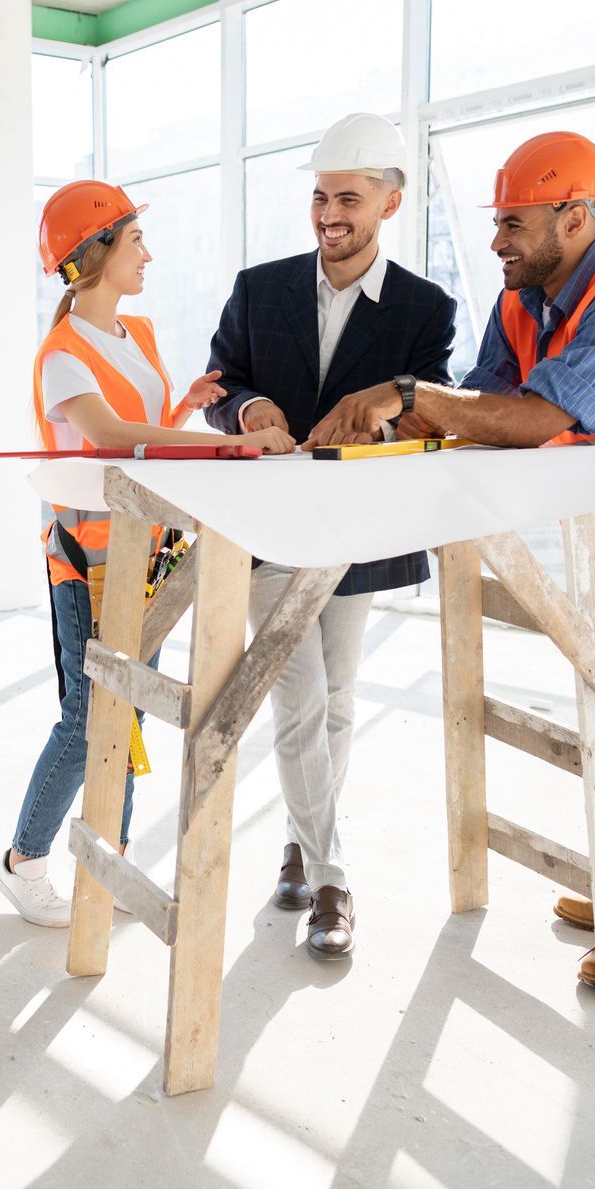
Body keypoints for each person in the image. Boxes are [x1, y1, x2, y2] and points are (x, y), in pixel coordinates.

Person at [307, 131, 595, 988]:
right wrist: (396, 421)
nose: (497, 241)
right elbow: (482, 407)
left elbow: (535, 419)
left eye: (515, 222)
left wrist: (409, 396)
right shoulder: (523, 299)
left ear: (578, 217)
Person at [0, 180, 297, 927]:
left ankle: (112, 862)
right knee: (88, 715)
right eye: (134, 242)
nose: (147, 254)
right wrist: (231, 443)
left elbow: (146, 430)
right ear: (94, 254)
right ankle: (24, 861)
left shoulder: (142, 336)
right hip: (89, 559)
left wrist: (184, 408)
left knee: (124, 717)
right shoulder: (61, 356)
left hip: (149, 552)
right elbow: (112, 439)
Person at [202, 112, 457, 958]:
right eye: (319, 197)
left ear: (390, 201)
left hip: (356, 530)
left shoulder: (425, 310)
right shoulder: (259, 287)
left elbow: (433, 407)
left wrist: (383, 426)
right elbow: (218, 382)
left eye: (348, 197)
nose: (328, 215)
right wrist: (248, 408)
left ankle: (300, 846)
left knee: (338, 701)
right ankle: (335, 880)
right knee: (300, 697)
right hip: (270, 531)